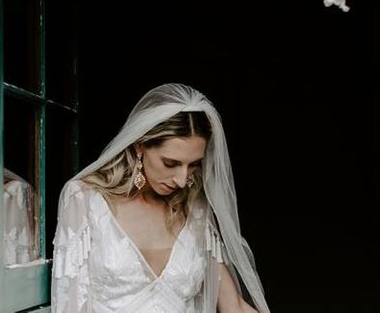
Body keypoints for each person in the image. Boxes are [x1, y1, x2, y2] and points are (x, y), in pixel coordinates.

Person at [51, 83, 269, 312]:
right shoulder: (84, 199)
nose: (182, 180)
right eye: (170, 163)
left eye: (193, 165)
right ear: (139, 146)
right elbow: (68, 303)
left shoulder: (194, 210)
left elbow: (233, 306)